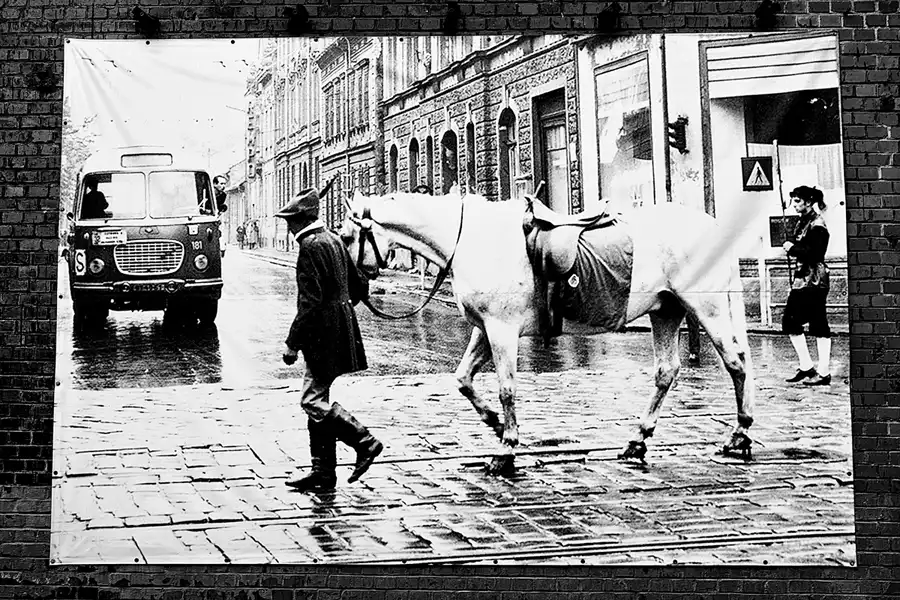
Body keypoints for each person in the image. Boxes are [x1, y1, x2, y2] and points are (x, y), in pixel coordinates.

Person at [276, 188, 384, 492]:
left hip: (321, 336)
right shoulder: (334, 239)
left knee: (311, 400)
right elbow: (360, 285)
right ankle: (323, 473)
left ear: (298, 221)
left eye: (289, 220)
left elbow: (309, 303)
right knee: (318, 400)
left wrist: (291, 343)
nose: (288, 226)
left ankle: (364, 441)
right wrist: (343, 312)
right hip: (340, 332)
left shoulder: (310, 246)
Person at [782, 185, 832, 386]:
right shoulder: (804, 222)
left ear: (809, 202)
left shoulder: (818, 224)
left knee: (819, 325)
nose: (793, 204)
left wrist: (792, 248)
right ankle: (806, 367)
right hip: (803, 281)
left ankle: (823, 372)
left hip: (814, 281)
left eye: (797, 201)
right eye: (793, 200)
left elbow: (816, 254)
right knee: (791, 322)